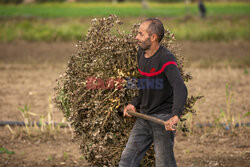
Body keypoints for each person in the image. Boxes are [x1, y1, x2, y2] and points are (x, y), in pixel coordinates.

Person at [119, 18, 188, 167]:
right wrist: (133, 103)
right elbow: (146, 84)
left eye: (140, 34)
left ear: (153, 37)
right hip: (144, 117)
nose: (136, 37)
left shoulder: (166, 59)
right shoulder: (141, 54)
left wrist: (175, 115)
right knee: (126, 161)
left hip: (162, 119)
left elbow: (180, 87)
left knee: (164, 164)